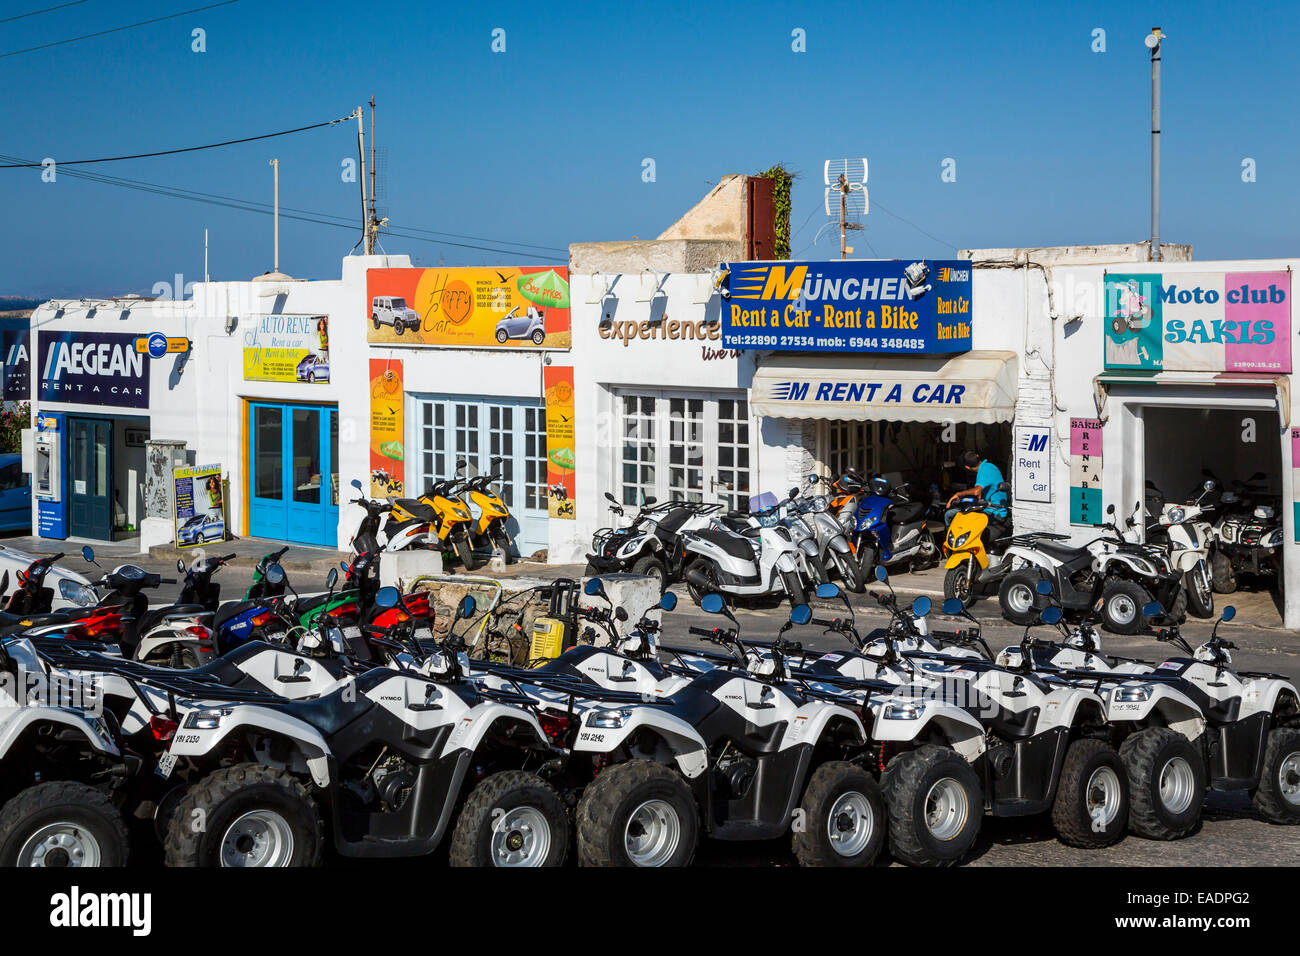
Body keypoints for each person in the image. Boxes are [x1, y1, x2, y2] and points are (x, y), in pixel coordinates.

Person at [944, 450, 1008, 525]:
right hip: (987, 509)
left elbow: (976, 491)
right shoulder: (989, 466)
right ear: (977, 456)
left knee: (949, 515)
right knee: (953, 513)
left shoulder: (984, 470)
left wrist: (958, 494)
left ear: (967, 467)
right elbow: (979, 494)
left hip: (995, 512)